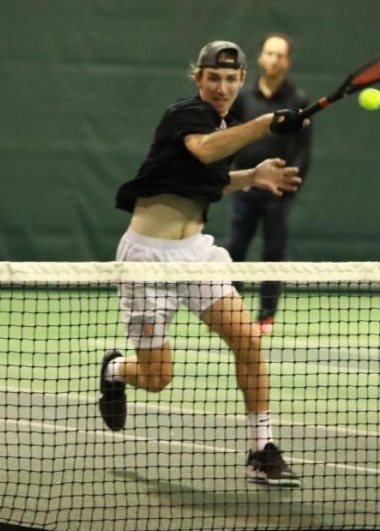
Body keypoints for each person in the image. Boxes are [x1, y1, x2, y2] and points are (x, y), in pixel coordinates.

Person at [98, 40, 306, 487]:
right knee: (157, 378)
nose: (222, 87)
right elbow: (205, 152)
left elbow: (206, 179)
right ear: (198, 79)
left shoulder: (225, 124)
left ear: (241, 80)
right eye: (214, 78)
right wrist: (269, 122)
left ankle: (261, 449)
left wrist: (252, 177)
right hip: (147, 260)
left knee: (248, 339)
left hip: (196, 254)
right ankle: (115, 370)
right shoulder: (186, 115)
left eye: (232, 79)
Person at [226, 34, 312, 335]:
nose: (273, 59)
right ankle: (229, 310)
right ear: (261, 58)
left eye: (280, 55)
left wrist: (290, 182)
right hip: (246, 188)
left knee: (274, 252)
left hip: (279, 192)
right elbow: (229, 138)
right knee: (235, 249)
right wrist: (239, 178)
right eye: (269, 53)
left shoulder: (298, 101)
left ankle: (266, 316)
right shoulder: (243, 97)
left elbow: (303, 149)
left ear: (287, 62)